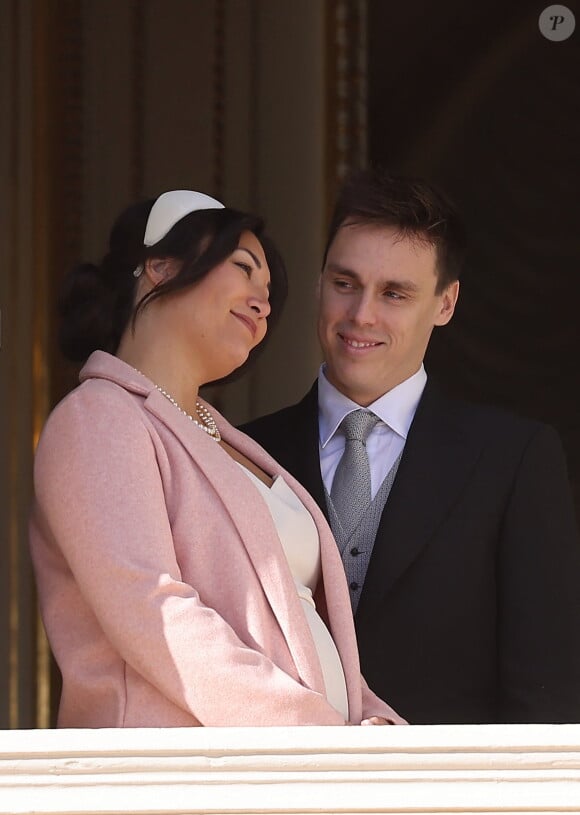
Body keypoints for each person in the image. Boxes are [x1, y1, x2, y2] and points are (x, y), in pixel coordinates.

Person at [29, 188, 406, 728]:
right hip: (174, 778)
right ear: (159, 266)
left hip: (286, 770)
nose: (263, 300)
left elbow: (299, 621)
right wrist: (315, 733)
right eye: (243, 268)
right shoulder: (98, 417)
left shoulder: (223, 436)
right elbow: (152, 611)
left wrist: (367, 720)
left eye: (269, 290)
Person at [241, 167, 580, 724]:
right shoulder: (245, 453)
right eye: (344, 283)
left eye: (394, 293)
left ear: (445, 304)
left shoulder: (515, 460)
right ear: (320, 278)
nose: (361, 315)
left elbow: (547, 691)